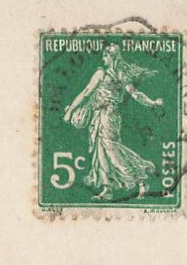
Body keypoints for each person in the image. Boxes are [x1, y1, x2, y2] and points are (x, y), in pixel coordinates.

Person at [63, 44, 164, 200]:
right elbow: (134, 94)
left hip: (109, 115)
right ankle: (107, 189)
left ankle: (140, 175)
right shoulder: (116, 73)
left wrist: (152, 103)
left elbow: (87, 92)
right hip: (100, 115)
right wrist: (152, 103)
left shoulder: (105, 73)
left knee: (111, 149)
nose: (103, 59)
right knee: (100, 151)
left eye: (105, 56)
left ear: (112, 57)